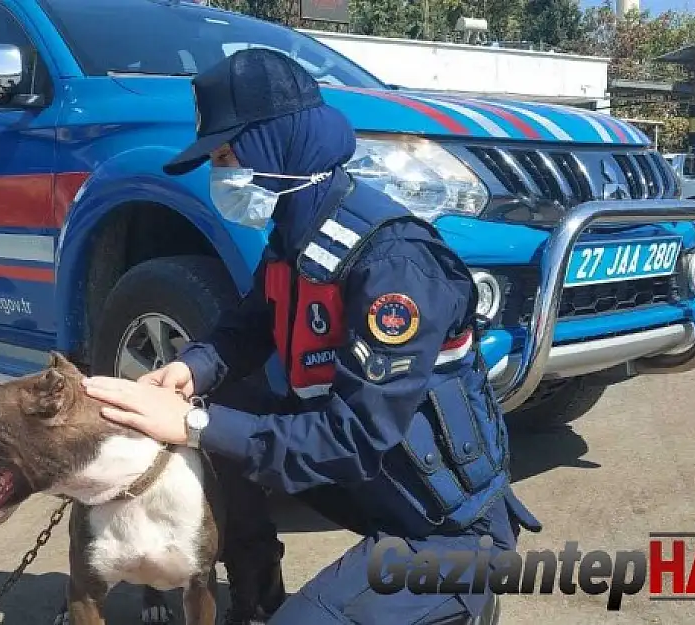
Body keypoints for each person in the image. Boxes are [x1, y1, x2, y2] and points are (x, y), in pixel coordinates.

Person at [82, 48, 542, 625]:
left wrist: (193, 425)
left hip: (446, 525)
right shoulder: (296, 237)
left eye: (227, 154)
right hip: (374, 482)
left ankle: (460, 603)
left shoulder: (393, 263)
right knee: (224, 409)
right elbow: (250, 324)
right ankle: (255, 602)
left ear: (274, 144)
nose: (221, 172)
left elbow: (353, 435)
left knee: (210, 428)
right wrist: (191, 370)